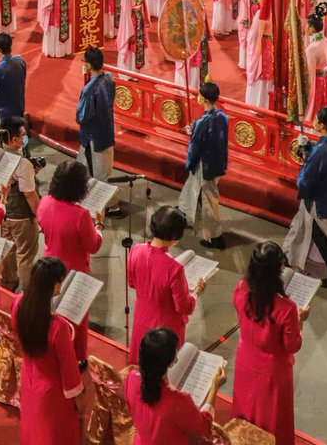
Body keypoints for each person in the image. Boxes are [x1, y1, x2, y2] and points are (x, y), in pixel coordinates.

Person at [232, 241, 305, 445]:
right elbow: (292, 345)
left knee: (246, 411)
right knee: (273, 420)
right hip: (273, 370)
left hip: (246, 359)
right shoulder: (286, 308)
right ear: (279, 269)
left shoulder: (240, 289)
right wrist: (300, 322)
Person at [37, 159, 104, 361]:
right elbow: (93, 245)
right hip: (74, 270)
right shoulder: (81, 215)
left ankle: (54, 349)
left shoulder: (45, 202)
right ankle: (76, 357)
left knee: (53, 312)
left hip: (49, 262)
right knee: (76, 318)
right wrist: (99, 224)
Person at [12, 257, 84, 444]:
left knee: (33, 429)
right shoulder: (58, 327)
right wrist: (78, 397)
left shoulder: (19, 303)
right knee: (53, 434)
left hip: (30, 377)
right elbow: (68, 368)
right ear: (53, 285)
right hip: (53, 392)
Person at [128, 207, 205, 363]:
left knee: (141, 366)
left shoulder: (136, 250)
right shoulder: (174, 268)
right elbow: (184, 307)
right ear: (175, 238)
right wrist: (196, 292)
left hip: (141, 319)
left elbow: (132, 282)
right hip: (165, 330)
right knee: (163, 372)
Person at [284, 107, 327, 288]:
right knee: (298, 227)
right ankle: (289, 257)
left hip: (317, 201)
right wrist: (308, 147)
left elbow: (306, 178)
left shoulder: (321, 151)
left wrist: (301, 184)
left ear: (321, 125)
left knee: (325, 239)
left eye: (316, 119)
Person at [127, 327, 223, 444]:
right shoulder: (178, 401)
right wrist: (214, 386)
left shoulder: (131, 378)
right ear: (173, 361)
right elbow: (204, 427)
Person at [180, 82, 229, 249]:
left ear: (205, 99)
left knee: (209, 201)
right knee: (196, 191)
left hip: (206, 165)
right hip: (218, 163)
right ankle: (183, 213)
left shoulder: (204, 122)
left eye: (200, 95)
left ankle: (215, 236)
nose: (197, 97)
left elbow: (195, 146)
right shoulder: (222, 116)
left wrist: (189, 163)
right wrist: (195, 129)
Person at [0, 116, 42, 291]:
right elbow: (29, 194)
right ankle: (28, 291)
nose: (25, 138)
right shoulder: (22, 164)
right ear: (15, 140)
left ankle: (8, 284)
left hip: (4, 213)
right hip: (22, 217)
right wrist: (40, 216)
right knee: (25, 255)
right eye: (23, 135)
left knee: (8, 251)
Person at [77, 46, 116, 183]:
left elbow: (82, 116)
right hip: (107, 132)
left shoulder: (89, 89)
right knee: (106, 171)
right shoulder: (109, 80)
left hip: (93, 137)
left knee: (94, 175)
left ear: (88, 64)